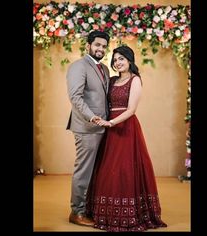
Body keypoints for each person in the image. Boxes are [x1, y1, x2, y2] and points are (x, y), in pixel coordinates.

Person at [86, 46, 167, 232]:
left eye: (121, 59)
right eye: (115, 60)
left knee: (124, 169)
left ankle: (128, 214)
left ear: (130, 60)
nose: (117, 63)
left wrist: (111, 123)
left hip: (125, 127)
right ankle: (106, 213)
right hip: (110, 127)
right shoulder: (112, 80)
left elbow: (131, 110)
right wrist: (100, 119)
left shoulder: (135, 80)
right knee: (107, 169)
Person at [66, 30, 110, 226]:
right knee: (83, 170)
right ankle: (77, 212)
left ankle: (90, 207)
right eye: (97, 45)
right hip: (86, 127)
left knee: (97, 170)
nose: (100, 48)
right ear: (89, 45)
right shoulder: (78, 66)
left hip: (103, 128)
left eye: (103, 46)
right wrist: (93, 117)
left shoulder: (105, 69)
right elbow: (75, 97)